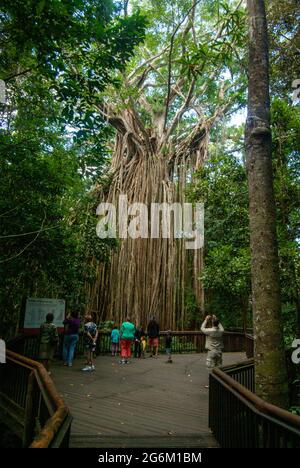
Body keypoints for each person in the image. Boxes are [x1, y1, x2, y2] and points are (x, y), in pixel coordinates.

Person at [201, 315, 224, 387]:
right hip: (219, 351)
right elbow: (221, 327)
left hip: (211, 352)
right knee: (219, 368)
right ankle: (219, 383)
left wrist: (206, 319)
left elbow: (202, 328)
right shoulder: (221, 331)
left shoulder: (209, 331)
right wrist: (216, 319)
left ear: (212, 323)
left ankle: (211, 384)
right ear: (218, 323)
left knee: (210, 368)